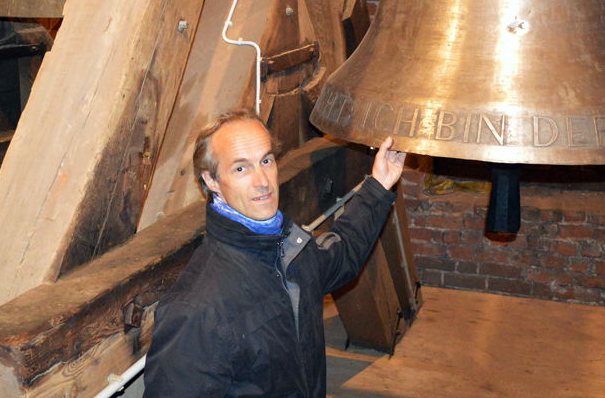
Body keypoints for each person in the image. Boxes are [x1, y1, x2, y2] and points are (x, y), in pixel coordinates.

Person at [143, 108, 407, 398]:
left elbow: (342, 256)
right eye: (241, 168)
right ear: (211, 181)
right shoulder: (196, 309)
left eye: (266, 161)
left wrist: (379, 185)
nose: (262, 181)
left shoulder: (288, 247)